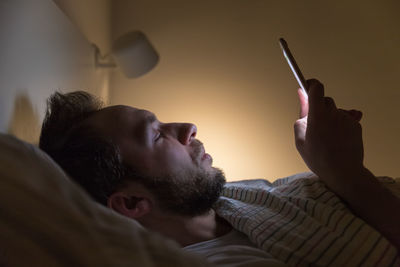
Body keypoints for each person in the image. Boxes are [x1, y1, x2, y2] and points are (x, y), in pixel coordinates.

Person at [39, 79, 400, 265]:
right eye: (157, 135)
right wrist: (347, 173)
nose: (188, 127)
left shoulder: (244, 200)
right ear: (133, 202)